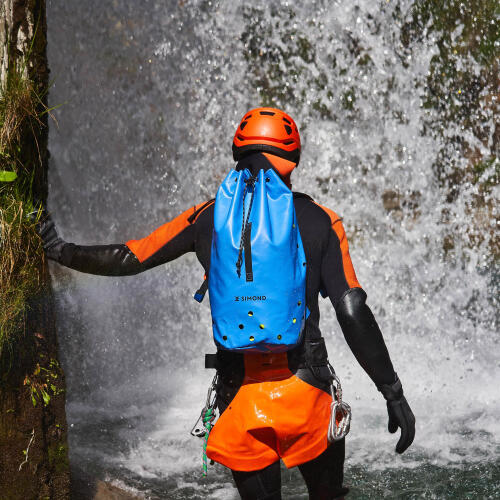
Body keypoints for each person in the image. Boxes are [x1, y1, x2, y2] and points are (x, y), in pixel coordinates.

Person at [37, 107, 415, 499]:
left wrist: (60, 249)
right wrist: (392, 391)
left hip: (239, 396)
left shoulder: (209, 216)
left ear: (239, 152)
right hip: (307, 393)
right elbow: (352, 310)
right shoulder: (322, 220)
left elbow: (132, 257)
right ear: (292, 158)